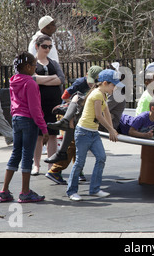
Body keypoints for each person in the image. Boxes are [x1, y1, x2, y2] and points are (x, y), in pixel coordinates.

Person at [0, 52, 49, 203]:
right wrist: (44, 129)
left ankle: (4, 191)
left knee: (15, 153)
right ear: (27, 67)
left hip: (16, 119)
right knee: (27, 155)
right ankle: (25, 192)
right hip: (28, 121)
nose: (35, 68)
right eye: (34, 65)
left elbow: (13, 104)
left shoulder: (14, 81)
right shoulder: (30, 83)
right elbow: (35, 109)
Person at [66, 69, 123, 201]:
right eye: (113, 85)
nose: (114, 88)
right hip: (84, 132)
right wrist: (110, 129)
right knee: (80, 162)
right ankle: (72, 191)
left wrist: (112, 129)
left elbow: (106, 112)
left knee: (101, 157)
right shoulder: (97, 95)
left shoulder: (103, 94)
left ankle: (95, 189)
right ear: (104, 83)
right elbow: (99, 115)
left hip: (93, 132)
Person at [43, 66, 103, 185]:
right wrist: (74, 105)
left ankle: (78, 170)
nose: (92, 85)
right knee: (71, 143)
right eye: (91, 82)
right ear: (86, 75)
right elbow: (65, 96)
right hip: (67, 113)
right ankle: (55, 170)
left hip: (78, 116)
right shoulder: (80, 83)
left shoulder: (98, 89)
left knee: (78, 142)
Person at [31, 35, 65, 176]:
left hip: (53, 104)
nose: (47, 49)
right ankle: (36, 165)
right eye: (44, 46)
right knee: (38, 136)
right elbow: (32, 79)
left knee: (52, 135)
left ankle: (51, 164)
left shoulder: (54, 63)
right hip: (38, 104)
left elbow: (61, 79)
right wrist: (51, 78)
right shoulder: (32, 63)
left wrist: (42, 80)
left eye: (49, 46)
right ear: (37, 46)